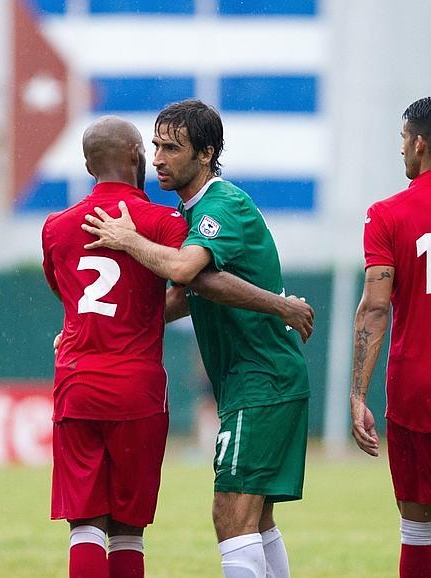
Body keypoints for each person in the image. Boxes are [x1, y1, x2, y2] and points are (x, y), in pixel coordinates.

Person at [44, 114, 314, 578]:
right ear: (136, 156)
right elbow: (184, 289)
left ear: (206, 154)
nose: (160, 158)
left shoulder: (216, 206)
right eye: (156, 147)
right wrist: (90, 323)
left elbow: (190, 273)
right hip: (181, 386)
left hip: (256, 377)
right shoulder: (172, 218)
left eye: (172, 148)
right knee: (242, 518)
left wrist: (90, 313)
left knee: (225, 513)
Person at [350, 97, 431, 578]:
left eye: (403, 139)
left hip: (417, 388)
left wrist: (358, 393)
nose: (401, 149)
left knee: (418, 527)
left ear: (419, 143)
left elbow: (375, 306)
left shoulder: (387, 214)